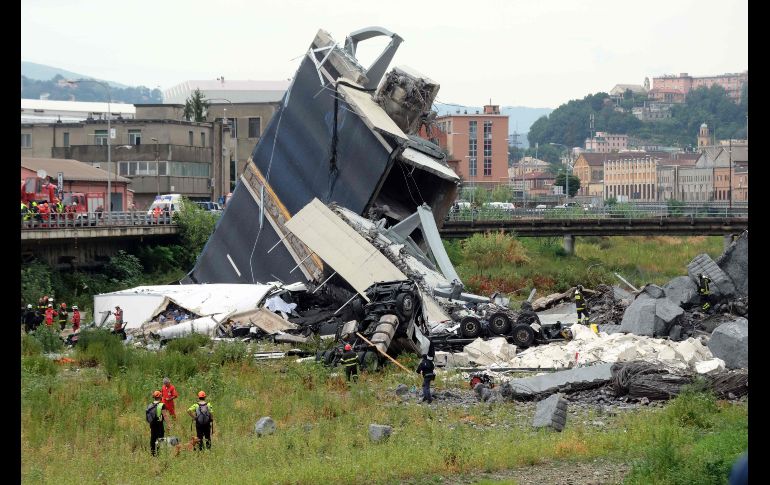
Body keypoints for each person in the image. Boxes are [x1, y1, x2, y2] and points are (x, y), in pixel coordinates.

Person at [147, 390, 172, 456]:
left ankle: (152, 453)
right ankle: (158, 454)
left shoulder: (150, 405)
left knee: (153, 437)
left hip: (152, 424)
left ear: (154, 397)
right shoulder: (162, 405)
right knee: (160, 438)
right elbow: (165, 415)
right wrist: (169, 424)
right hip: (159, 425)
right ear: (160, 396)